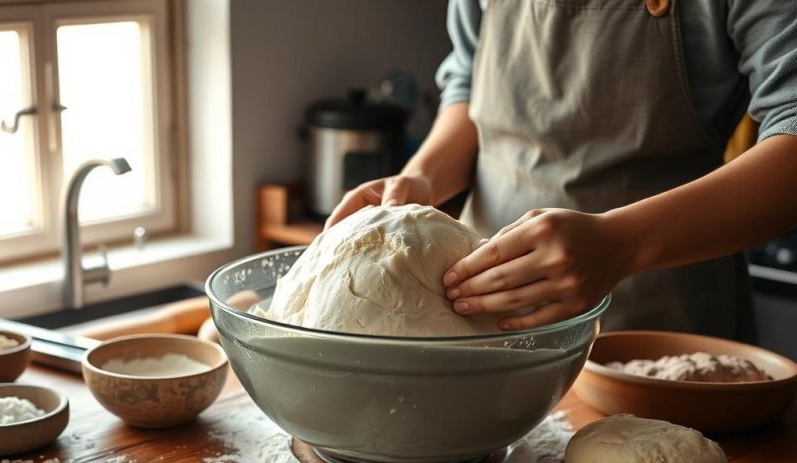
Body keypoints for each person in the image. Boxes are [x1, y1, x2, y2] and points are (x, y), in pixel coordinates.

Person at [325, 0, 797, 340]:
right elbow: (468, 89)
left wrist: (621, 243)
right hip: (473, 318)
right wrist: (424, 176)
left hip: (656, 324)